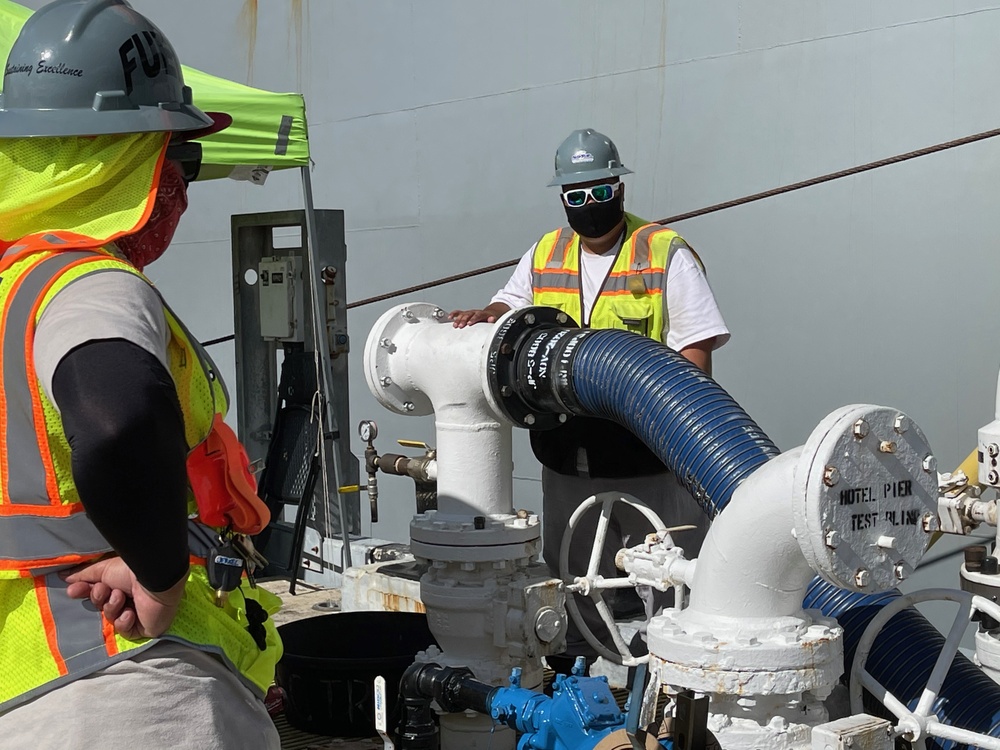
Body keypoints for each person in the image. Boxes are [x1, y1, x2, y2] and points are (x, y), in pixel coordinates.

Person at [0, 1, 282, 747]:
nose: (183, 189)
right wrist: (158, 581)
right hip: (128, 686)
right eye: (179, 162)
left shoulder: (8, 294)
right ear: (129, 162)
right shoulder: (89, 286)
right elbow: (120, 417)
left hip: (27, 684)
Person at [450, 128, 730, 673]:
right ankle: (579, 691)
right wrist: (490, 314)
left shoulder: (662, 253)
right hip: (568, 462)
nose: (588, 206)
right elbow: (510, 303)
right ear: (562, 200)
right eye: (575, 197)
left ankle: (672, 693)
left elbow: (695, 357)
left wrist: (688, 445)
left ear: (619, 190)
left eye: (599, 192)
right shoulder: (546, 253)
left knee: (669, 586)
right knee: (576, 586)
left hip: (649, 463)